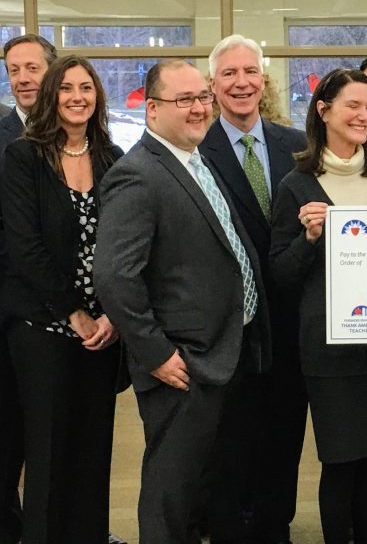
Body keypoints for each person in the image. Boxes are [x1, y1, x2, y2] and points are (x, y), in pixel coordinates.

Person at [95, 59, 270, 544]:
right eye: (184, 100)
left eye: (202, 98)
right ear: (152, 109)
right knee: (171, 492)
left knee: (202, 488)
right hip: (182, 362)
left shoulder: (194, 160)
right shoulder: (138, 174)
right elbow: (113, 275)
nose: (198, 109)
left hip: (222, 351)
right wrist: (155, 354)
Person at [269, 68, 367, 544]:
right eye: (354, 105)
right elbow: (281, 274)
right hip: (328, 350)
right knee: (341, 459)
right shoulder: (296, 183)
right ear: (324, 111)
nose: (365, 116)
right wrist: (310, 238)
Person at [0, 55, 122, 544]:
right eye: (67, 87)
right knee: (48, 449)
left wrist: (111, 313)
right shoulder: (23, 155)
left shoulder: (113, 157)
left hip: (104, 328)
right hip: (41, 326)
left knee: (93, 448)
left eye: (86, 88)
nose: (77, 97)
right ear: (52, 95)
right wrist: (73, 313)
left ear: (97, 97)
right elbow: (23, 245)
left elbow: (124, 243)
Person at [201, 34, 308, 544]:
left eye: (250, 72)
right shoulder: (197, 149)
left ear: (262, 80)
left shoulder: (297, 147)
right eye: (229, 74)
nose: (241, 82)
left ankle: (275, 527)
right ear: (213, 85)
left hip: (289, 321)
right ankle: (229, 527)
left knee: (284, 435)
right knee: (230, 438)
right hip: (228, 324)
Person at [0, 33, 56, 544]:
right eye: (14, 69)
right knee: (9, 437)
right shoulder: (2, 140)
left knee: (57, 438)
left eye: (32, 67)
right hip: (11, 313)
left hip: (70, 321)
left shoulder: (84, 137)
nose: (22, 78)